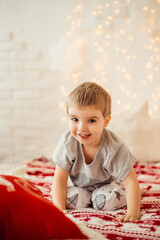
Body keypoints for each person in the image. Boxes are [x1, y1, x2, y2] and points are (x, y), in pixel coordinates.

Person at [52, 81, 143, 222]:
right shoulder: (67, 143)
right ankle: (90, 198)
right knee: (68, 200)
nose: (82, 128)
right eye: (75, 119)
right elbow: (59, 179)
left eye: (91, 121)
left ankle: (120, 193)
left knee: (106, 203)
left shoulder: (114, 147)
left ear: (105, 121)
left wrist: (133, 214)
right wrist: (59, 210)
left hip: (107, 185)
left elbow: (131, 182)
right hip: (81, 186)